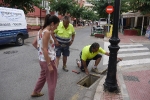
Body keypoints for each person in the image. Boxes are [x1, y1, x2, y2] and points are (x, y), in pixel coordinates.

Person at [31, 14, 60, 100]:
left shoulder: (40, 31)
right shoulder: (47, 32)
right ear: (52, 23)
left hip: (42, 60)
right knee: (52, 83)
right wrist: (49, 64)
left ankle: (35, 92)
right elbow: (44, 49)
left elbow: (34, 44)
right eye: (57, 25)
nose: (56, 28)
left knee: (43, 76)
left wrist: (41, 53)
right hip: (48, 61)